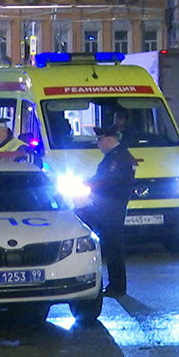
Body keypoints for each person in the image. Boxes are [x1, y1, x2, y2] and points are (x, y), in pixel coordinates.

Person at [76, 126, 137, 297]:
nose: (98, 144)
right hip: (110, 206)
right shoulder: (117, 155)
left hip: (111, 207)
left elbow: (107, 181)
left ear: (109, 140)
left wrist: (86, 184)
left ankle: (117, 286)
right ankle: (115, 285)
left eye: (99, 140)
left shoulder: (117, 157)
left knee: (113, 246)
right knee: (111, 245)